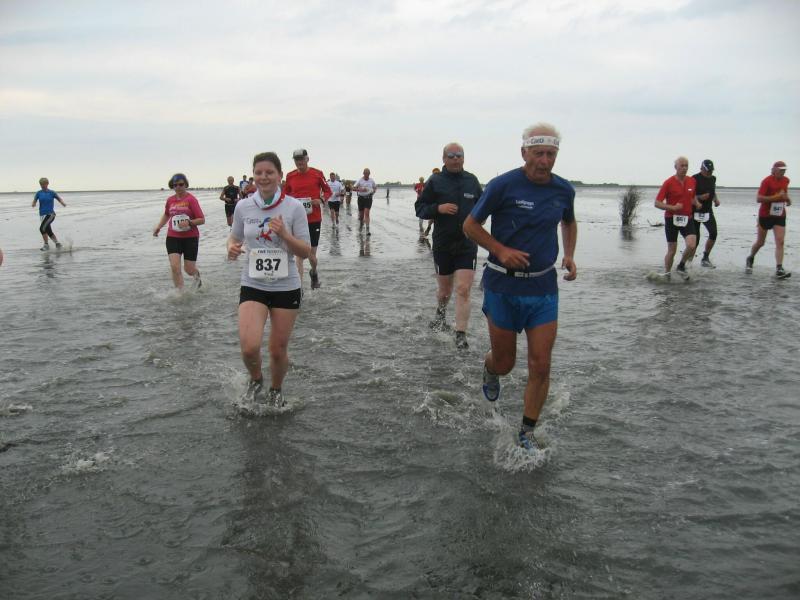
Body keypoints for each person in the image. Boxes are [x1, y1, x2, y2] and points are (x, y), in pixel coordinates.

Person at [463, 123, 577, 451]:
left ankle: (526, 431)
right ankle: (490, 369)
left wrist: (569, 254)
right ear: (524, 152)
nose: (545, 161)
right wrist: (500, 250)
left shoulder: (563, 190)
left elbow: (569, 221)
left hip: (543, 288)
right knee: (505, 362)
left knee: (541, 364)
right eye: (538, 153)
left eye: (551, 154)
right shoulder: (503, 185)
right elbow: (470, 225)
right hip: (503, 285)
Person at [227, 152, 312, 406]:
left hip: (286, 286)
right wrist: (231, 247)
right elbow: (234, 237)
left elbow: (305, 252)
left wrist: (285, 234)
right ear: (253, 175)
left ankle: (276, 390)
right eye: (259, 172)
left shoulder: (293, 207)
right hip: (253, 283)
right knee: (249, 347)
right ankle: (256, 379)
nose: (263, 177)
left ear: (280, 175)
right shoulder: (243, 206)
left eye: (269, 172)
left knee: (277, 350)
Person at [415, 143, 483, 350]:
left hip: (467, 244)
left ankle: (460, 334)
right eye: (451, 155)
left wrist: (478, 224)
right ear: (444, 159)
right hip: (443, 244)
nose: (455, 159)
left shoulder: (472, 181)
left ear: (464, 158)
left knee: (463, 289)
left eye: (459, 155)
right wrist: (439, 208)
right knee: (445, 291)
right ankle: (440, 313)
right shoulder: (435, 181)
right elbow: (420, 208)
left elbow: (483, 208)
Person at [284, 148, 332, 289]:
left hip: (314, 219)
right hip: (297, 220)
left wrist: (321, 200)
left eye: (302, 159)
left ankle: (314, 272)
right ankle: (298, 288)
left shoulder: (317, 174)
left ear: (307, 159)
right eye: (296, 160)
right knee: (299, 255)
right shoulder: (290, 176)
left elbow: (328, 191)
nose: (299, 162)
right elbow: (285, 195)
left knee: (311, 255)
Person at [152, 173, 205, 290]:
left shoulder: (191, 200)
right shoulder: (170, 200)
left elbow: (201, 219)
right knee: (175, 267)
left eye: (181, 184)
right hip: (173, 237)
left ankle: (197, 276)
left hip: (190, 238)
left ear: (185, 184)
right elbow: (167, 214)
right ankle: (180, 294)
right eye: (175, 185)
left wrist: (189, 223)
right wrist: (159, 226)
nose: (178, 187)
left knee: (189, 270)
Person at [654, 156, 699, 280]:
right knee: (672, 250)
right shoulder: (668, 182)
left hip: (687, 218)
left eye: (686, 166)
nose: (684, 168)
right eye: (682, 166)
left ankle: (681, 266)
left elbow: (692, 196)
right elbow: (657, 203)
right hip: (671, 218)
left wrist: (697, 203)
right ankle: (667, 274)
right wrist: (673, 208)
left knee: (692, 245)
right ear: (676, 167)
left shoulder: (692, 181)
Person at [746, 161, 791, 278]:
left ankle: (779, 268)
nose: (783, 172)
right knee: (761, 242)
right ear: (774, 170)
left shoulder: (786, 180)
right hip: (765, 215)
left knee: (780, 241)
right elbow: (759, 198)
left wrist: (787, 199)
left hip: (779, 215)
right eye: (781, 170)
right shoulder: (766, 181)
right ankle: (750, 257)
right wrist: (775, 197)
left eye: (784, 170)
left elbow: (784, 194)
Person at [692, 159, 719, 268]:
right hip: (695, 211)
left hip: (707, 211)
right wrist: (699, 198)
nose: (710, 173)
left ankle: (705, 258)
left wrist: (716, 199)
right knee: (696, 239)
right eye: (708, 171)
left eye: (711, 171)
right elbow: (690, 195)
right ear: (702, 168)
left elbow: (713, 191)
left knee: (713, 233)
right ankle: (687, 263)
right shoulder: (694, 178)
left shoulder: (713, 178)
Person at [32, 177, 67, 251]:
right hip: (42, 215)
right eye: (41, 184)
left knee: (42, 228)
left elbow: (59, 198)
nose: (43, 185)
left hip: (50, 214)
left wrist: (63, 203)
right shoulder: (39, 193)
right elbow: (35, 200)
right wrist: (33, 203)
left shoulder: (52, 192)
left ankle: (46, 245)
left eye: (44, 184)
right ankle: (58, 244)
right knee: (48, 231)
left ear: (47, 184)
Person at [354, 168, 377, 235]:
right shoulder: (360, 180)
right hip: (361, 198)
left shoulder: (371, 180)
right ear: (363, 173)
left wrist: (373, 191)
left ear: (369, 174)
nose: (367, 175)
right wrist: (361, 189)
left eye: (368, 174)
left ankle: (367, 229)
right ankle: (361, 224)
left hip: (368, 199)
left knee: (367, 213)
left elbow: (375, 187)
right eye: (365, 173)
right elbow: (353, 188)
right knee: (361, 216)